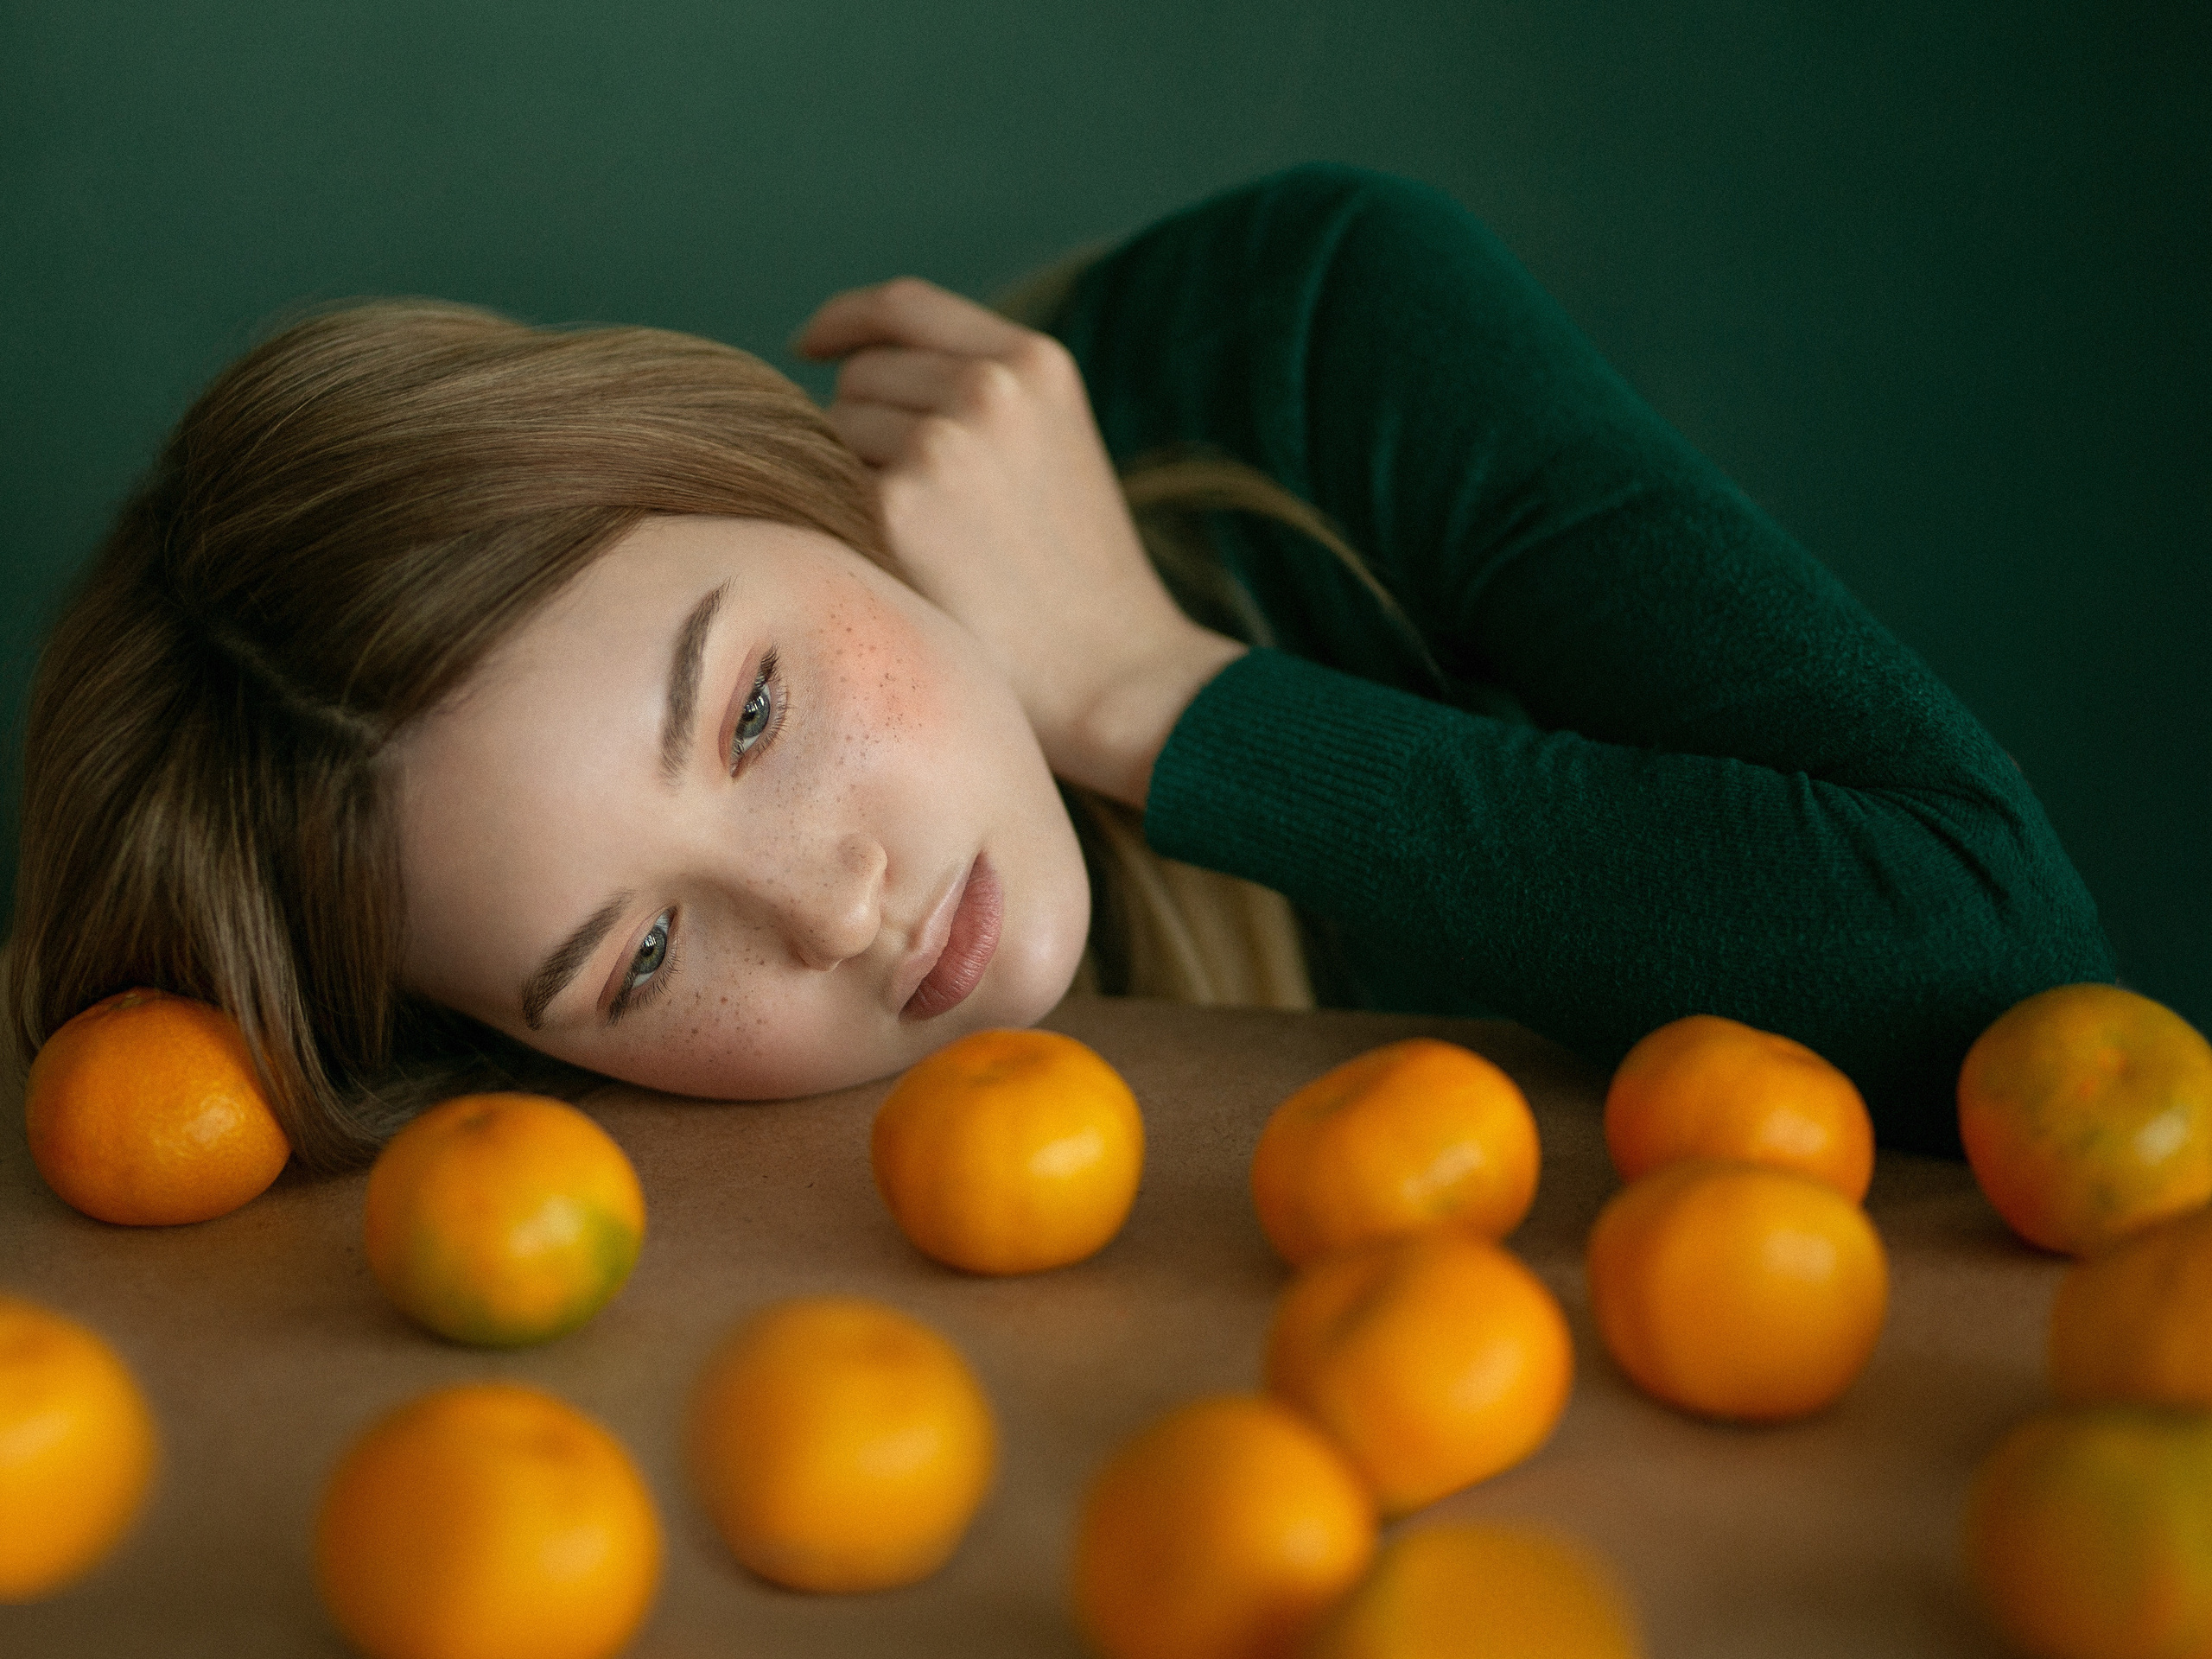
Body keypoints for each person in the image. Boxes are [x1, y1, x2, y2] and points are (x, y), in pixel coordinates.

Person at [8, 165, 2112, 1172]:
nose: (832, 908)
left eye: (749, 708)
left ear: (768, 466)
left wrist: (1146, 689)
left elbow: (1991, 963)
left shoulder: (1320, 334)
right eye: (638, 965)